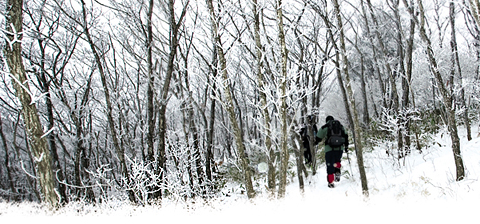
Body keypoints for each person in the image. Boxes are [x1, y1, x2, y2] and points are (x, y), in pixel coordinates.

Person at [315, 115, 348, 188]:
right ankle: (337, 171)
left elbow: (318, 137)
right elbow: (346, 136)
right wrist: (346, 147)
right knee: (337, 161)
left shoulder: (325, 127)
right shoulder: (340, 126)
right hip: (340, 149)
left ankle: (331, 182)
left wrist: (316, 142)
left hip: (329, 149)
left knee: (330, 165)